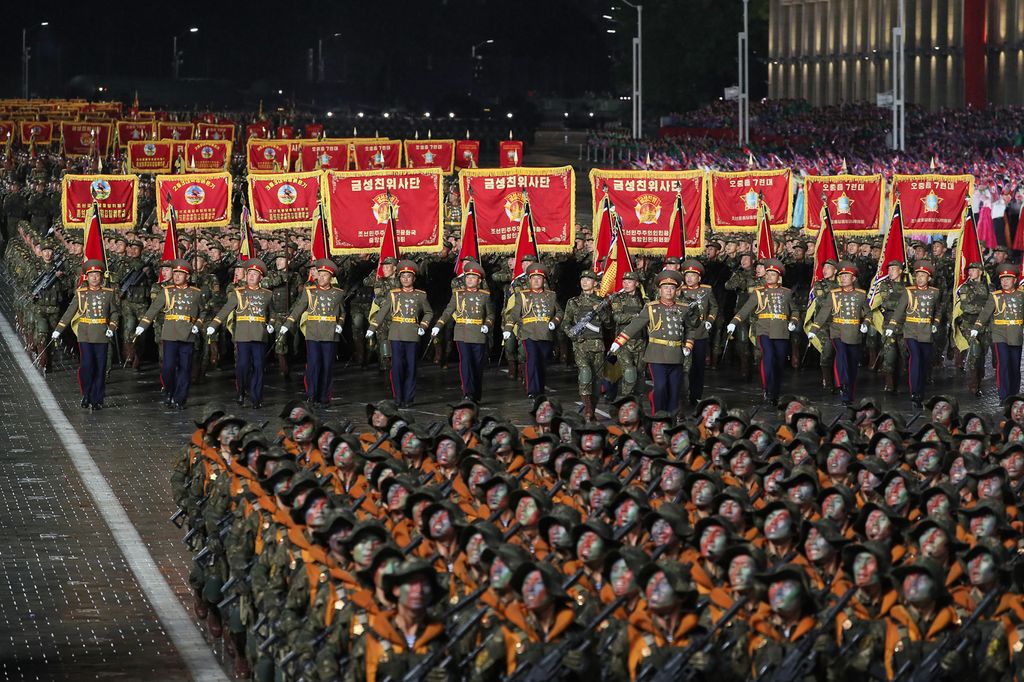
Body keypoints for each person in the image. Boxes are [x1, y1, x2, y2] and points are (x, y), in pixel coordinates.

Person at [611, 270, 687, 416]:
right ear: (660, 290)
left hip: (676, 354)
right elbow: (636, 324)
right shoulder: (651, 307)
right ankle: (659, 416)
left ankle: (672, 416)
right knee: (660, 387)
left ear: (676, 291)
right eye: (665, 288)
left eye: (672, 288)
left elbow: (690, 327)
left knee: (675, 388)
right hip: (657, 354)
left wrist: (688, 344)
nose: (669, 291)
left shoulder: (683, 308)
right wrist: (619, 341)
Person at [134, 259, 205, 409]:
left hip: (187, 334)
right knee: (168, 368)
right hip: (170, 333)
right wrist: (142, 325)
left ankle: (180, 398)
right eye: (176, 273)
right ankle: (169, 391)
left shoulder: (196, 293)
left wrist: (197, 325)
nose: (177, 276)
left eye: (181, 274)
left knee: (185, 368)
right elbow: (153, 309)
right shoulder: (167, 291)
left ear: (188, 276)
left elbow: (203, 311)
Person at [727, 258, 800, 404]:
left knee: (779, 362)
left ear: (779, 277)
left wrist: (793, 321)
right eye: (767, 274)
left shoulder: (786, 293)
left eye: (772, 274)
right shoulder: (758, 292)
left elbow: (795, 310)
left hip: (781, 330)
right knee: (768, 356)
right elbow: (746, 309)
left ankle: (775, 389)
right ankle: (768, 388)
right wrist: (734, 322)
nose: (769, 277)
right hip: (763, 329)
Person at [52, 259, 120, 410]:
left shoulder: (108, 294)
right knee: (87, 366)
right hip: (85, 334)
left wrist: (112, 326)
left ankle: (98, 398)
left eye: (97, 274)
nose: (95, 278)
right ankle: (87, 394)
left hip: (102, 333)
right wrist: (58, 329)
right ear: (86, 277)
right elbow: (70, 312)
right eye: (92, 275)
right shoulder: (81, 294)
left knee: (100, 367)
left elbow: (115, 312)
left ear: (102, 277)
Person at [206, 259, 274, 409]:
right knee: (243, 365)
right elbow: (226, 309)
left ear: (260, 278)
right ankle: (242, 391)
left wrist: (271, 324)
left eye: (255, 274)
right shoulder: (238, 293)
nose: (251, 276)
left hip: (259, 334)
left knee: (258, 366)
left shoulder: (267, 294)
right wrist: (214, 324)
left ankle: (257, 398)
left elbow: (272, 313)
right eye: (249, 273)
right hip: (243, 333)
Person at [279, 259, 347, 407]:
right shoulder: (309, 292)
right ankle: (311, 395)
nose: (321, 278)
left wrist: (340, 324)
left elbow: (342, 312)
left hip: (330, 333)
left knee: (327, 366)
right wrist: (288, 324)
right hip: (314, 332)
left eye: (325, 275)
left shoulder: (338, 293)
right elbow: (298, 309)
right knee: (313, 365)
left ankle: (324, 397)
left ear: (331, 277)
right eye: (319, 274)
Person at [367, 259, 432, 408]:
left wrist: (423, 325)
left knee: (411, 367)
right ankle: (398, 397)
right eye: (403, 277)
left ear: (413, 279)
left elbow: (428, 312)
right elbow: (383, 312)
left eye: (409, 276)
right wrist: (373, 327)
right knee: (397, 367)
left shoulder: (420, 295)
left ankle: (408, 398)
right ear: (399, 278)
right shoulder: (393, 294)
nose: (405, 279)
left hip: (412, 333)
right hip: (396, 334)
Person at [808, 261, 870, 406]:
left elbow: (867, 313)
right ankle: (843, 385)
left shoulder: (861, 295)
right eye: (841, 276)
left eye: (846, 276)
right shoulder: (834, 294)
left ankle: (849, 389)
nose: (842, 279)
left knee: (852, 363)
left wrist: (866, 324)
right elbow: (824, 313)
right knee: (841, 357)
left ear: (853, 279)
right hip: (837, 331)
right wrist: (814, 329)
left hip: (854, 332)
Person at [432, 261, 495, 403]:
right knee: (465, 363)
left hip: (478, 333)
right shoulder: (458, 294)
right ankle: (467, 393)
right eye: (468, 277)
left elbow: (491, 314)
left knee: (477, 365)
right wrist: (438, 325)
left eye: (473, 278)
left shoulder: (485, 295)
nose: (470, 280)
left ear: (479, 281)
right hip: (462, 333)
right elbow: (449, 310)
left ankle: (476, 393)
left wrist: (487, 325)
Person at [887, 260, 942, 409]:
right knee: (915, 359)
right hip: (910, 330)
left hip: (926, 332)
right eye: (917, 275)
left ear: (929, 278)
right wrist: (892, 325)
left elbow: (938, 310)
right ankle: (914, 393)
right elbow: (899, 310)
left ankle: (921, 391)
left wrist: (936, 323)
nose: (919, 278)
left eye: (923, 276)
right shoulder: (909, 291)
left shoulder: (935, 293)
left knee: (924, 363)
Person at [502, 263, 563, 399]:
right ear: (529, 280)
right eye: (533, 278)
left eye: (539, 278)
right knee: (532, 360)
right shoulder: (522, 296)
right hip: (528, 333)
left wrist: (554, 322)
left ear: (543, 280)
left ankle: (539, 389)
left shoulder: (551, 295)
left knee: (542, 362)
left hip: (545, 333)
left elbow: (559, 311)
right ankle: (532, 390)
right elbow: (514, 314)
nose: (536, 281)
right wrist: (508, 328)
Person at [562, 271, 611, 420]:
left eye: (588, 279)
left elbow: (608, 323)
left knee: (596, 381)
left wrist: (600, 311)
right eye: (583, 279)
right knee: (585, 375)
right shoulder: (573, 302)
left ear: (595, 283)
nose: (585, 282)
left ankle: (592, 408)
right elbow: (566, 322)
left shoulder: (601, 301)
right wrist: (571, 333)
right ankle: (588, 409)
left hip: (597, 345)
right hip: (581, 345)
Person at [972, 263, 1024, 403]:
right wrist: (976, 327)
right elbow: (985, 313)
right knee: (1004, 363)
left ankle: (1014, 394)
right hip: (1000, 334)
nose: (1005, 282)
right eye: (1003, 279)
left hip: (1016, 334)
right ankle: (1004, 396)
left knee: (1015, 365)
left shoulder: (1021, 295)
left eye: (1008, 279)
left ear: (1014, 280)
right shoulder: (995, 296)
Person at [677, 258, 718, 405]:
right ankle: (682, 394)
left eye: (692, 276)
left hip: (700, 333)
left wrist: (710, 321)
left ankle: (696, 395)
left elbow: (714, 307)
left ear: (698, 277)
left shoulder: (706, 290)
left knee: (698, 366)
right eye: (687, 275)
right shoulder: (679, 291)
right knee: (683, 366)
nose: (689, 278)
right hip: (683, 334)